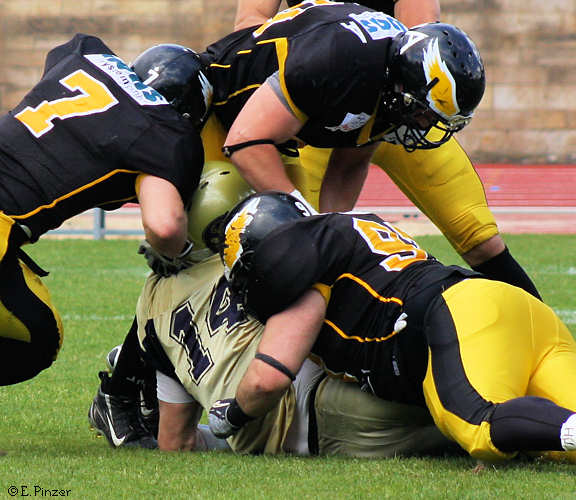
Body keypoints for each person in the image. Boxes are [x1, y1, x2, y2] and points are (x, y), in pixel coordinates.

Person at [207, 191, 576, 464]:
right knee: (558, 449)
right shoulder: (347, 234)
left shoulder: (300, 270)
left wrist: (233, 414)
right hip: (515, 310)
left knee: (479, 424)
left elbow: (267, 380)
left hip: (461, 315)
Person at [227, 0, 540, 300]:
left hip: (399, 102)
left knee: (478, 237)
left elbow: (422, 37)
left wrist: (379, 102)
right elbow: (252, 29)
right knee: (300, 243)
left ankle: (542, 326)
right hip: (318, 110)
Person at [0, 34, 210, 388]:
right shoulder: (170, 135)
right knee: (39, 338)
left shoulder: (85, 52)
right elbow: (164, 227)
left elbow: (58, 66)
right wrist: (177, 254)